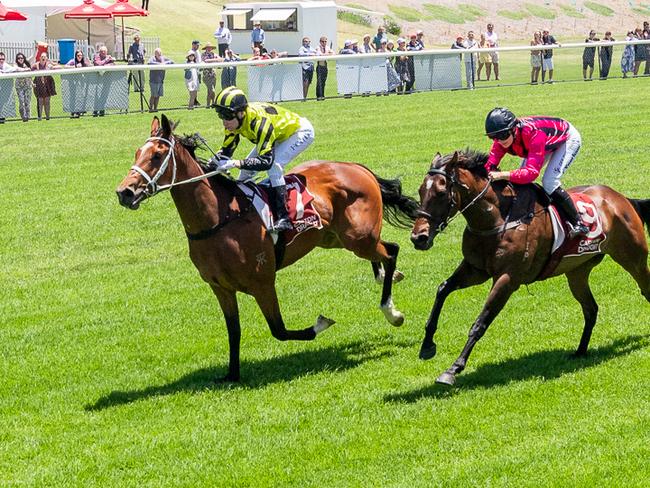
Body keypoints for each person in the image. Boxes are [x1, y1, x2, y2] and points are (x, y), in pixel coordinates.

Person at [208, 86, 315, 232]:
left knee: (274, 166)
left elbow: (266, 161)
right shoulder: (233, 121)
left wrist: (234, 163)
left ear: (241, 114)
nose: (224, 122)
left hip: (300, 132)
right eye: (221, 116)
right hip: (278, 135)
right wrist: (214, 162)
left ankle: (284, 218)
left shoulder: (260, 123)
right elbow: (227, 150)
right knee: (244, 173)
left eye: (227, 116)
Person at [484, 107, 589, 238]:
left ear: (513, 129)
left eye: (503, 136)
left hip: (566, 139)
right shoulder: (500, 140)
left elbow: (531, 173)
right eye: (493, 137)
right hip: (541, 144)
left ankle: (578, 222)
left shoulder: (534, 133)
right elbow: (489, 165)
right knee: (519, 182)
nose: (499, 141)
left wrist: (502, 175)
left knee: (549, 182)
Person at [31, 52, 58, 121]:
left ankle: (47, 117)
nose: (43, 58)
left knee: (47, 101)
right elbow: (29, 72)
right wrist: (31, 82)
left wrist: (51, 63)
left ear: (46, 58)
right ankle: (39, 117)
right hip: (38, 84)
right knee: (40, 101)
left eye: (44, 57)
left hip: (47, 85)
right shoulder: (36, 65)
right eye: (42, 56)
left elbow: (57, 67)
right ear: (40, 58)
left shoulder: (48, 65)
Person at [65, 50, 90, 118]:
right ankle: (73, 111)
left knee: (81, 96)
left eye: (81, 55)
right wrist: (75, 67)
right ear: (76, 56)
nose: (80, 57)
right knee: (73, 97)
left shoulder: (83, 62)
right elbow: (65, 66)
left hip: (81, 82)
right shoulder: (73, 61)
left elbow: (89, 67)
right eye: (78, 55)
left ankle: (80, 110)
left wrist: (88, 62)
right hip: (73, 82)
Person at [147, 48, 173, 112]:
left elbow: (172, 61)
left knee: (158, 96)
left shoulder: (163, 58)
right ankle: (151, 108)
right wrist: (159, 64)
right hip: (154, 80)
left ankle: (155, 108)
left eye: (160, 53)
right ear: (155, 53)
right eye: (158, 53)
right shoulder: (152, 58)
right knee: (153, 95)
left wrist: (164, 63)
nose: (160, 54)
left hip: (161, 80)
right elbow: (149, 63)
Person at [92, 46, 115, 116]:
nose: (103, 53)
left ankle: (102, 110)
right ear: (99, 52)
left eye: (104, 51)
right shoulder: (96, 57)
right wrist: (106, 61)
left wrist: (107, 63)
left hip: (106, 81)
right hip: (97, 81)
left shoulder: (109, 57)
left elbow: (113, 64)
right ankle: (95, 111)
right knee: (96, 96)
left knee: (104, 96)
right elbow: (98, 64)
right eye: (102, 51)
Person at [14, 53, 33, 122]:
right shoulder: (15, 64)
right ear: (17, 59)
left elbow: (32, 57)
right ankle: (23, 117)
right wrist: (25, 70)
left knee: (27, 101)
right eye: (18, 58)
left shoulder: (26, 64)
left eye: (21, 58)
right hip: (19, 87)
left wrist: (36, 49)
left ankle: (28, 117)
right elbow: (17, 69)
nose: (20, 59)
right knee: (21, 101)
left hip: (28, 85)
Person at [201, 43, 222, 107]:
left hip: (213, 75)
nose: (209, 49)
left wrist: (213, 60)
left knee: (209, 91)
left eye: (210, 47)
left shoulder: (214, 54)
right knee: (212, 90)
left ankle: (208, 105)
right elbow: (206, 61)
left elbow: (221, 59)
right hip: (206, 75)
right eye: (208, 47)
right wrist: (215, 60)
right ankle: (213, 103)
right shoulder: (203, 54)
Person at [315, 36, 334, 100]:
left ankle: (322, 95)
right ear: (320, 42)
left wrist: (329, 53)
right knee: (319, 82)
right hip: (320, 67)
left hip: (325, 67)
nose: (324, 43)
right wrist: (327, 54)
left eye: (325, 41)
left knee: (323, 82)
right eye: (322, 41)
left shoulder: (328, 47)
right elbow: (319, 54)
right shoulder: (318, 47)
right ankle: (318, 96)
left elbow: (332, 54)